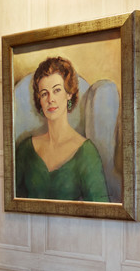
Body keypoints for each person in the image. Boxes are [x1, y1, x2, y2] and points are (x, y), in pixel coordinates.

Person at [15, 55, 109, 202]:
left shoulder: (87, 153)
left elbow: (103, 210)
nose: (50, 99)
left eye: (57, 90)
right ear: (39, 100)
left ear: (69, 94)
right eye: (44, 93)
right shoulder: (25, 150)